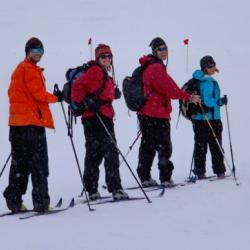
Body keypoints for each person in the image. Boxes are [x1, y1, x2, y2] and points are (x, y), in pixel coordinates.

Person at [3, 37, 63, 213]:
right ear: (27, 52)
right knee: (39, 165)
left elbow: (12, 93)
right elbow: (39, 94)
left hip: (17, 126)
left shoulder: (18, 70)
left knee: (20, 165)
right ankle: (41, 203)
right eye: (34, 51)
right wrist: (58, 97)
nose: (38, 54)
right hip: (31, 126)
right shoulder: (29, 70)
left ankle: (14, 199)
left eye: (40, 51)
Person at [136, 37, 200, 187]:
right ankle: (165, 178)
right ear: (154, 51)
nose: (165, 52)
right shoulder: (156, 68)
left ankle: (144, 176)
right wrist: (188, 97)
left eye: (166, 48)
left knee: (148, 145)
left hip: (146, 113)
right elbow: (170, 89)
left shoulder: (148, 66)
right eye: (161, 49)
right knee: (164, 146)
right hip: (157, 114)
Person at [71, 44, 128, 201]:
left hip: (98, 117)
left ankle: (92, 189)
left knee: (94, 154)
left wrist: (113, 94)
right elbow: (77, 87)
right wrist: (85, 102)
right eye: (103, 57)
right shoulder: (95, 71)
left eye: (109, 56)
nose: (107, 59)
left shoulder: (103, 73)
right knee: (110, 152)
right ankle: (115, 188)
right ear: (97, 59)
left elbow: (97, 92)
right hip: (97, 117)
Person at [191, 55, 226, 179]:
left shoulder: (199, 78)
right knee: (215, 145)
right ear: (204, 68)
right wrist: (220, 102)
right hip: (210, 118)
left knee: (200, 145)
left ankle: (199, 171)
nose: (212, 68)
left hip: (199, 119)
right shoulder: (208, 81)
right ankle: (219, 171)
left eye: (213, 65)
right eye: (210, 66)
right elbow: (208, 101)